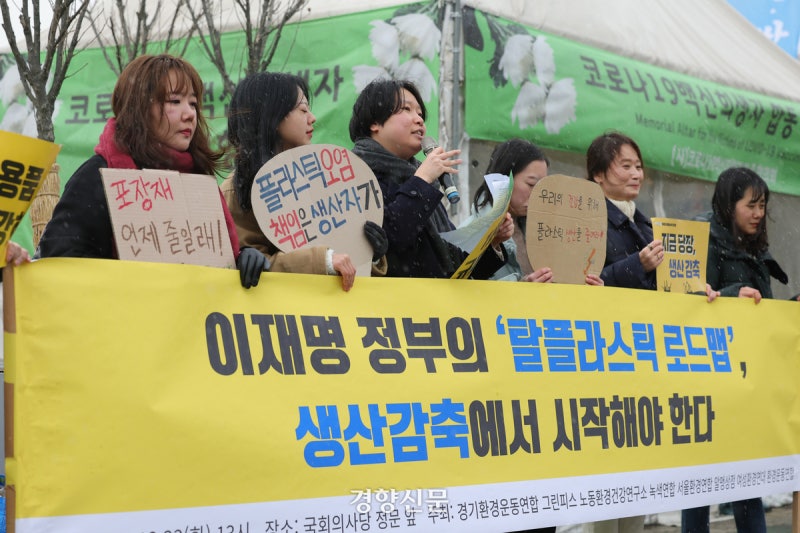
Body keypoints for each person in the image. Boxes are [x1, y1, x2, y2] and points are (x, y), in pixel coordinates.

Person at [37, 54, 266, 288]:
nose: (189, 114)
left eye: (193, 103)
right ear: (139, 108)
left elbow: (208, 261)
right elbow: (59, 260)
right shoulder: (98, 176)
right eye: (174, 101)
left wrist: (242, 259)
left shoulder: (198, 181)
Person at [681, 167, 792, 533]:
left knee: (747, 482)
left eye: (763, 206)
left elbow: (764, 311)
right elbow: (691, 300)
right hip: (708, 383)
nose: (759, 214)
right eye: (752, 205)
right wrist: (733, 296)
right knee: (698, 485)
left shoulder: (756, 247)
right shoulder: (703, 239)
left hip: (747, 383)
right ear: (730, 206)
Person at [221, 72, 388, 292]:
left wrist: (371, 255)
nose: (312, 118)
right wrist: (324, 262)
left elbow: (350, 268)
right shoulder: (237, 190)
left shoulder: (325, 181)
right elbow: (246, 269)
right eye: (302, 109)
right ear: (272, 116)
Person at [349, 78, 512, 279]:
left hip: (436, 309)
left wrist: (492, 242)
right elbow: (389, 238)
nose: (419, 120)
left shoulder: (421, 180)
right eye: (406, 109)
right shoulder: (354, 176)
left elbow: (457, 269)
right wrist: (423, 179)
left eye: (420, 113)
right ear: (374, 123)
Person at [585, 130, 658, 533]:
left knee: (638, 477)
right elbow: (584, 282)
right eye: (625, 165)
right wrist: (637, 265)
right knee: (605, 476)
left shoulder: (646, 224)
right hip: (606, 363)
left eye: (639, 165)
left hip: (642, 364)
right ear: (598, 174)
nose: (636, 174)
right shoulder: (588, 219)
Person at [471, 138, 603, 285]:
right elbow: (467, 290)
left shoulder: (546, 228)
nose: (538, 195)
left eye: (542, 187)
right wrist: (523, 288)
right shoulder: (470, 232)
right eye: (531, 184)